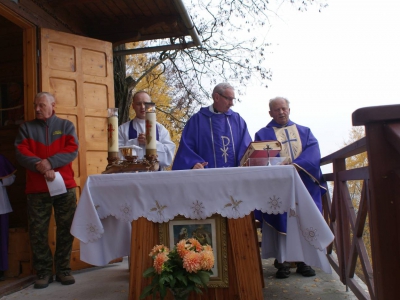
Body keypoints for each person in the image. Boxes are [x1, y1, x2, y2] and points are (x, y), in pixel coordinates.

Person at [254, 96, 327, 279]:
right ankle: (283, 262)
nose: (281, 112)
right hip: (277, 188)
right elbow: (258, 159)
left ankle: (304, 262)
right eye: (276, 110)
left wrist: (295, 166)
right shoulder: (263, 134)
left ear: (289, 109)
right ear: (270, 112)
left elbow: (313, 152)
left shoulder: (304, 131)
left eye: (284, 108)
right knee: (281, 221)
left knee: (303, 221)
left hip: (303, 185)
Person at [15, 92, 79, 288]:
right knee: (37, 232)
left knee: (66, 229)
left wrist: (50, 163)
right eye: (36, 105)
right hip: (36, 189)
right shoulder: (26, 128)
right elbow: (20, 151)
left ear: (53, 105)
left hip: (64, 186)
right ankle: (43, 272)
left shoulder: (66, 126)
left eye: (41, 105)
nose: (37, 109)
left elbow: (72, 149)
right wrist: (40, 165)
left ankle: (63, 270)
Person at [172, 83, 252, 170]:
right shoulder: (197, 121)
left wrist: (244, 163)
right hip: (205, 179)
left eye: (233, 99)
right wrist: (193, 164)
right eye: (228, 99)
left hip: (234, 178)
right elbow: (186, 150)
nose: (232, 103)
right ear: (216, 97)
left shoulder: (238, 121)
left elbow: (246, 148)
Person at [118, 91, 176, 170]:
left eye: (145, 103)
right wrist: (135, 142)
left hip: (156, 178)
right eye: (138, 104)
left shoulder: (160, 129)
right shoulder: (123, 129)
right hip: (131, 177)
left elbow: (168, 158)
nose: (142, 107)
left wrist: (151, 142)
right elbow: (117, 157)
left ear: (151, 106)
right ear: (133, 106)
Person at [0, 154, 16, 281]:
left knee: (2, 240)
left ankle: (1, 269)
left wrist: (1, 181)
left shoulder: (1, 158)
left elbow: (11, 177)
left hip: (1, 206)